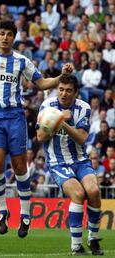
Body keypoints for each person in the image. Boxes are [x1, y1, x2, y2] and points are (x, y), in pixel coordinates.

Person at [0, 20, 74, 238]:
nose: (5, 37)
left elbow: (41, 83)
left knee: (20, 167)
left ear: (14, 38)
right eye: (2, 34)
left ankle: (25, 215)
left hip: (15, 117)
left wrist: (61, 77)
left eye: (9, 34)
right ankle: (2, 211)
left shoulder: (22, 61)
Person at [37, 74, 103, 256]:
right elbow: (40, 137)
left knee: (94, 191)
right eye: (61, 89)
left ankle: (93, 239)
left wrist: (61, 122)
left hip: (80, 160)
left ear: (76, 93)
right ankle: (76, 246)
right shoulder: (47, 106)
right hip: (57, 162)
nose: (63, 94)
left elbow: (82, 138)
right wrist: (59, 118)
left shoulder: (84, 108)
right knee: (78, 193)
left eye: (68, 90)